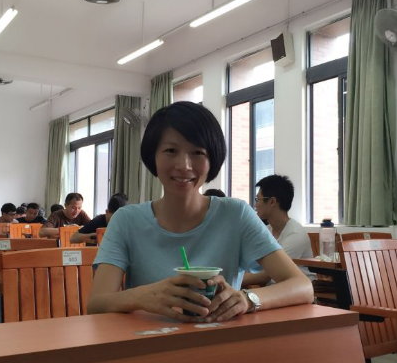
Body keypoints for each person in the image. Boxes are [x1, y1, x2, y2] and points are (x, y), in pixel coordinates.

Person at [87, 101, 313, 322]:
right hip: (148, 342)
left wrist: (247, 299)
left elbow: (302, 286)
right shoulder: (126, 220)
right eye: (170, 150)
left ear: (212, 159)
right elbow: (97, 303)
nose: (184, 165)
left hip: (221, 340)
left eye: (197, 152)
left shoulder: (236, 215)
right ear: (153, 156)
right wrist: (143, 296)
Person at [243, 175, 316, 286]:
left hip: (298, 291)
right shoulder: (266, 230)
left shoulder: (295, 234)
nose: (255, 204)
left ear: (272, 202)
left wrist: (232, 281)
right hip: (276, 288)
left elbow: (266, 276)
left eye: (258, 199)